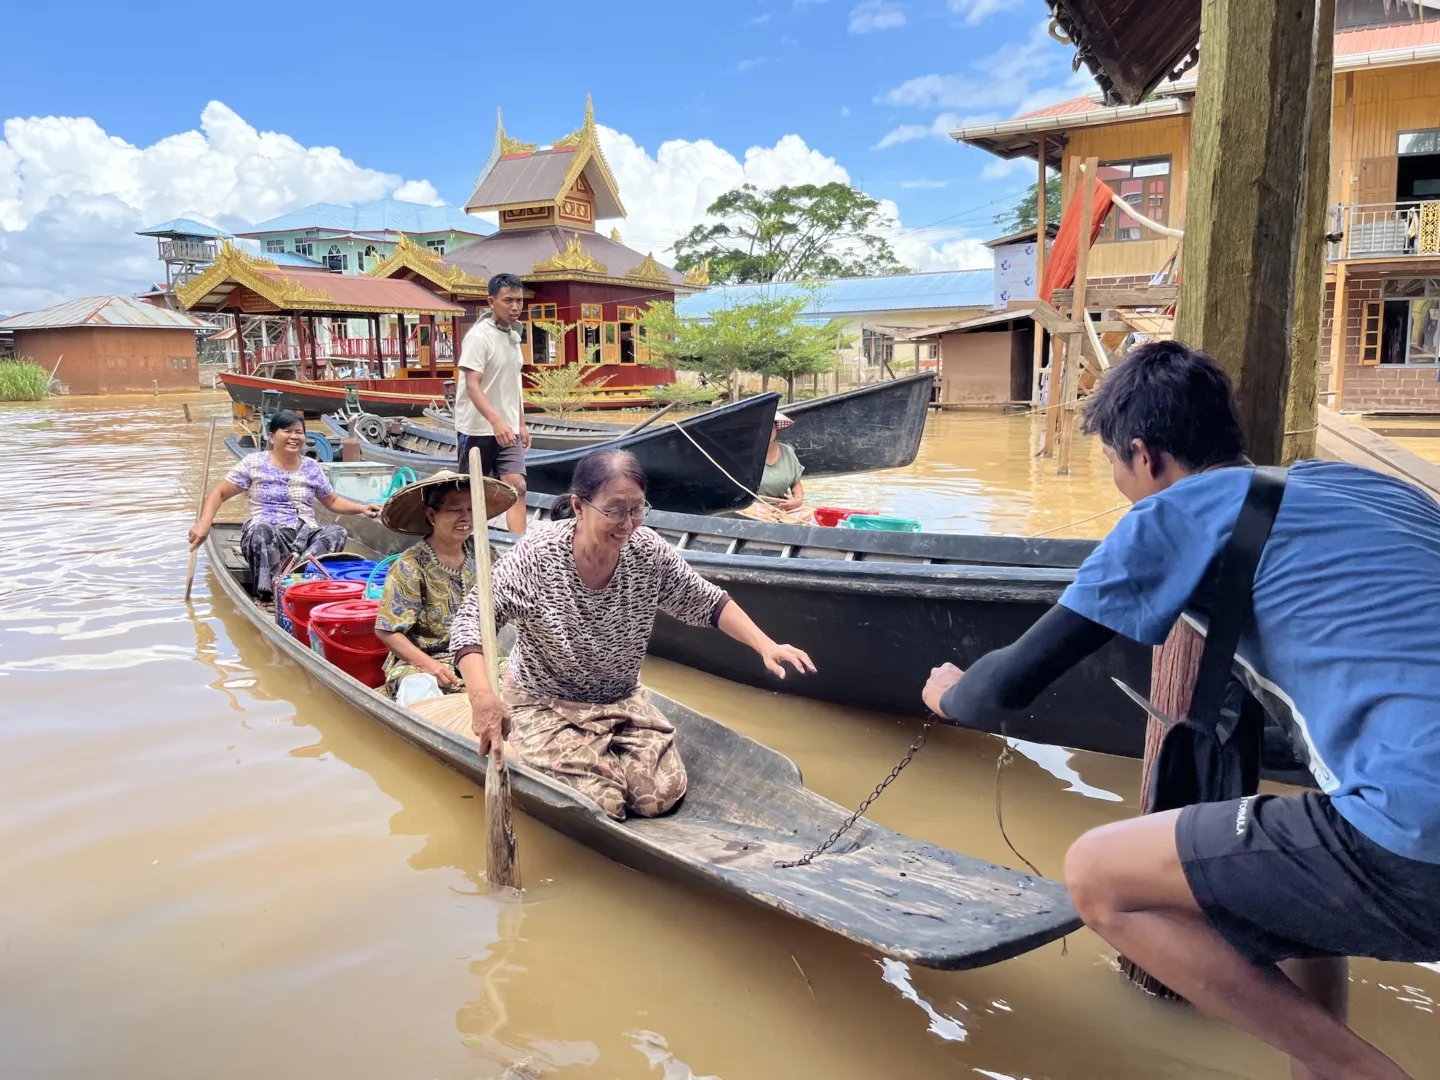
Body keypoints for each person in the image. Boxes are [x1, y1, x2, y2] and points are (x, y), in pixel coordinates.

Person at [920, 341, 1440, 1080]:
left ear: (1145, 455)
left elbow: (1002, 690)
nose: (1122, 487)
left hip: (1420, 829)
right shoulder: (1373, 489)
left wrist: (949, 693)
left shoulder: (1175, 514)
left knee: (1100, 874)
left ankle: (1360, 1073)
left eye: (1114, 467)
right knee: (1285, 871)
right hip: (1406, 803)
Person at [451, 449, 816, 821]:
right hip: (545, 701)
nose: (627, 524)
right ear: (579, 507)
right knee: (602, 802)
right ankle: (577, 756)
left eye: (637, 509)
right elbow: (471, 623)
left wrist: (765, 644)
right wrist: (482, 698)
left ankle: (600, 749)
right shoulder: (537, 555)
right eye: (614, 510)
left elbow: (708, 602)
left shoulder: (647, 552)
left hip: (620, 700)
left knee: (657, 797)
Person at [189, 410, 380, 598]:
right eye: (287, 431)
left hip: (303, 539)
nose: (294, 436)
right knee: (261, 530)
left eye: (299, 432)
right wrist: (205, 522)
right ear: (272, 437)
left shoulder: (311, 467)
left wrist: (362, 508)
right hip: (267, 534)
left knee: (337, 532)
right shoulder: (254, 462)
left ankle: (295, 578)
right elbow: (219, 492)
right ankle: (267, 594)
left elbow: (332, 501)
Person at [371, 470, 515, 700]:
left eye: (470, 509)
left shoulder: (486, 554)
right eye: (455, 510)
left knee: (524, 685)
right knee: (418, 691)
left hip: (483, 655)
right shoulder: (410, 565)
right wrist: (430, 665)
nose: (465, 517)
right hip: (427, 659)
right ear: (431, 515)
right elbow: (387, 630)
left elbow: (511, 602)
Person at [455, 272, 529, 534]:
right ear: (491, 302)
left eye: (519, 301)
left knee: (517, 486)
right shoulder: (479, 337)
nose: (515, 307)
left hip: (508, 428)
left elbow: (514, 385)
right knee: (473, 492)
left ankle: (519, 547)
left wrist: (520, 423)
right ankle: (470, 541)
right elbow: (472, 386)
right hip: (477, 428)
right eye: (508, 300)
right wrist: (495, 420)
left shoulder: (513, 336)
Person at [756, 412, 805, 512]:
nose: (768, 431)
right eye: (764, 427)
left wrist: (798, 500)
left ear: (776, 429)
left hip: (782, 508)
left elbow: (796, 484)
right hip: (754, 509)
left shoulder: (787, 451)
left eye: (772, 426)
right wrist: (755, 508)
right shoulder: (746, 454)